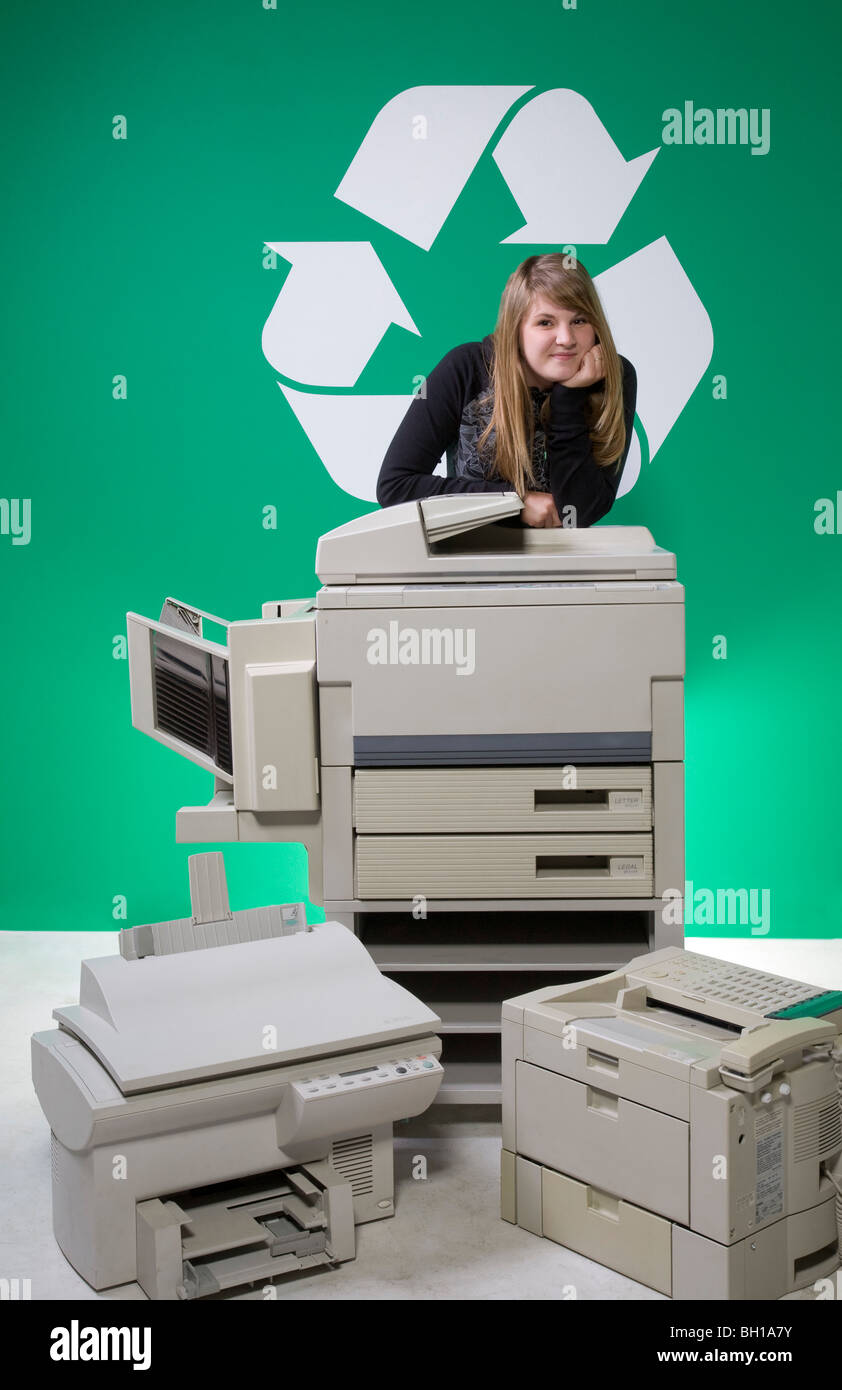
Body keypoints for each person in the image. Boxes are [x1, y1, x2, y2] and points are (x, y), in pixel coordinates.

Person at [376, 254, 637, 528]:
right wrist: (513, 503)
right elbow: (395, 487)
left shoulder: (614, 376)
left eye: (579, 321)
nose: (566, 339)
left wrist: (568, 398)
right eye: (545, 322)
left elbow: (579, 513)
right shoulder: (466, 368)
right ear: (517, 329)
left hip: (560, 563)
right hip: (472, 559)